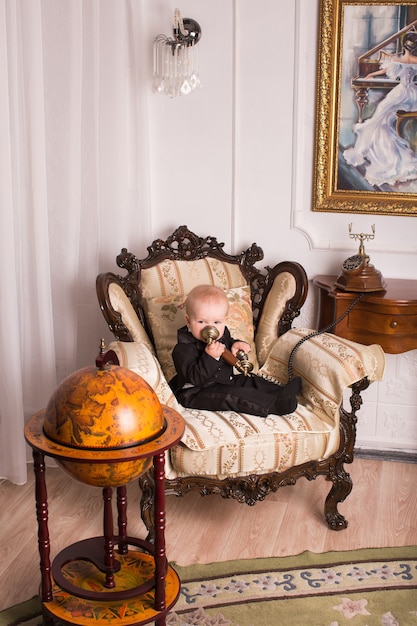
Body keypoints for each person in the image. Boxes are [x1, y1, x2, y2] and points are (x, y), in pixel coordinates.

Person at [169, 284, 301, 417]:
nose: (210, 328)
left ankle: (281, 392)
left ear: (224, 321)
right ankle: (273, 405)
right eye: (201, 322)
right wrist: (210, 357)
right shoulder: (183, 349)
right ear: (188, 321)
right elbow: (195, 378)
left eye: (216, 322)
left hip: (226, 380)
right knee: (234, 396)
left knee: (249, 380)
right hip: (197, 392)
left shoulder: (222, 333)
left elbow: (228, 342)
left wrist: (236, 345)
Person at [343, 30, 417, 187]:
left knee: (379, 116)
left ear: (404, 46)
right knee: (384, 117)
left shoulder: (398, 59)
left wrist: (370, 76)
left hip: (400, 93)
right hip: (413, 94)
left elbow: (383, 71)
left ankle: (378, 149)